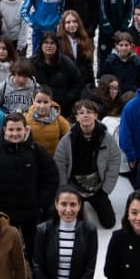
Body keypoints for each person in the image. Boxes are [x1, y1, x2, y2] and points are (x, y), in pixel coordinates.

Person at [0, 114, 59, 254]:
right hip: (5, 214)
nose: (14, 134)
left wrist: (41, 203)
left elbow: (51, 178)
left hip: (32, 213)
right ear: (4, 130)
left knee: (35, 251)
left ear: (26, 130)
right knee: (6, 251)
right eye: (11, 130)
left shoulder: (37, 151)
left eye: (18, 129)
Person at [53, 97, 121, 229]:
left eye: (89, 111)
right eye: (81, 112)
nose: (85, 115)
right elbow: (59, 163)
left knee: (109, 223)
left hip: (98, 187)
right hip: (75, 186)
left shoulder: (106, 137)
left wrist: (106, 189)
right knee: (75, 225)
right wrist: (64, 188)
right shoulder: (68, 139)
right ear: (76, 117)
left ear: (96, 115)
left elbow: (114, 161)